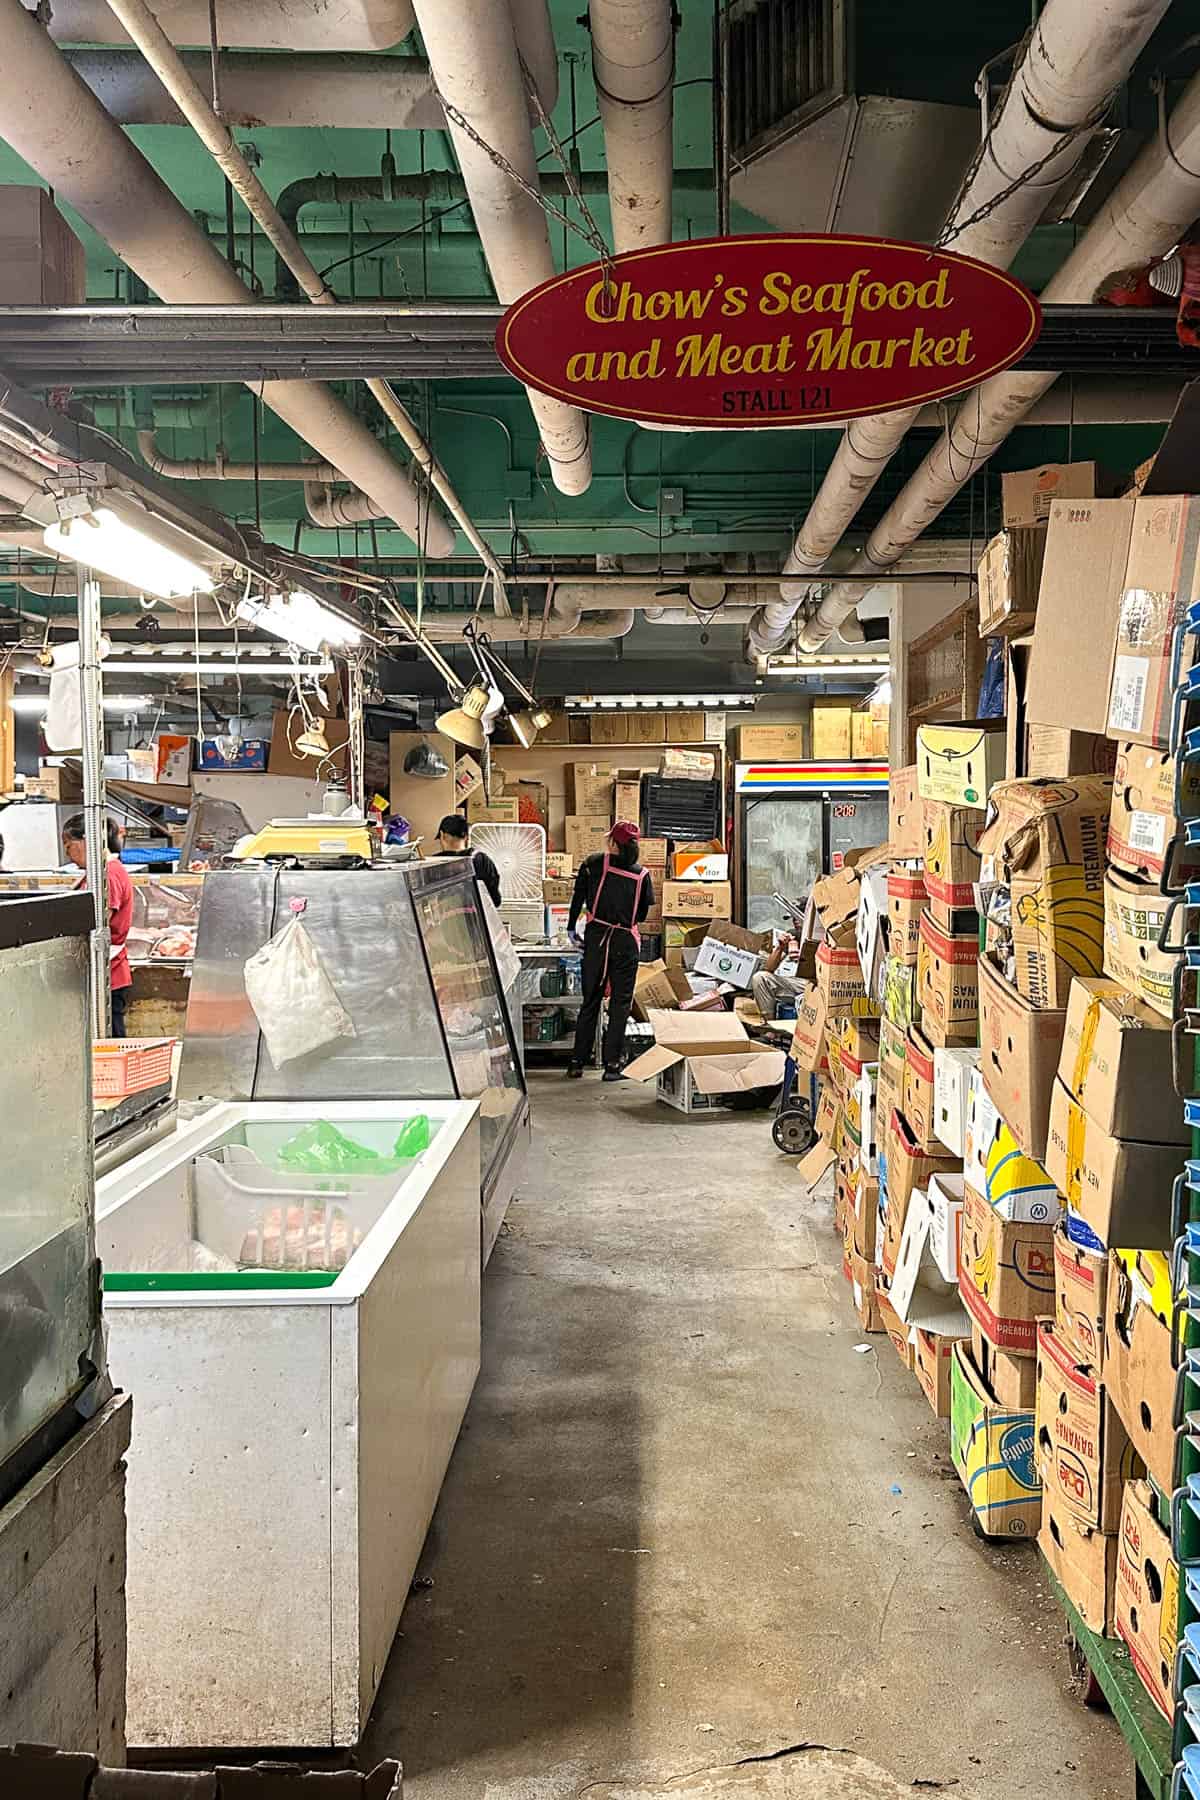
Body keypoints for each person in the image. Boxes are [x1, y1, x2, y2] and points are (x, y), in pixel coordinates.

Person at [566, 821, 653, 1082]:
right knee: (620, 1004)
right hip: (625, 942)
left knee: (590, 1001)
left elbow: (578, 897)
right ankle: (612, 1066)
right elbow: (641, 914)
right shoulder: (642, 875)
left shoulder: (593, 864)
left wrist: (572, 927)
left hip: (597, 940)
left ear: (614, 843)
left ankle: (576, 1063)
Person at [62, 814, 133, 1036]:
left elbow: (97, 923)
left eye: (68, 845)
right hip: (99, 974)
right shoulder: (99, 872)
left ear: (86, 841)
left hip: (107, 975)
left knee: (109, 1045)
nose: (67, 853)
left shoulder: (108, 874)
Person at [435, 812, 502, 908]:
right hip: (478, 921)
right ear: (466, 836)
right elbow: (495, 901)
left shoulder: (432, 864)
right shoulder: (482, 860)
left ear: (442, 835)